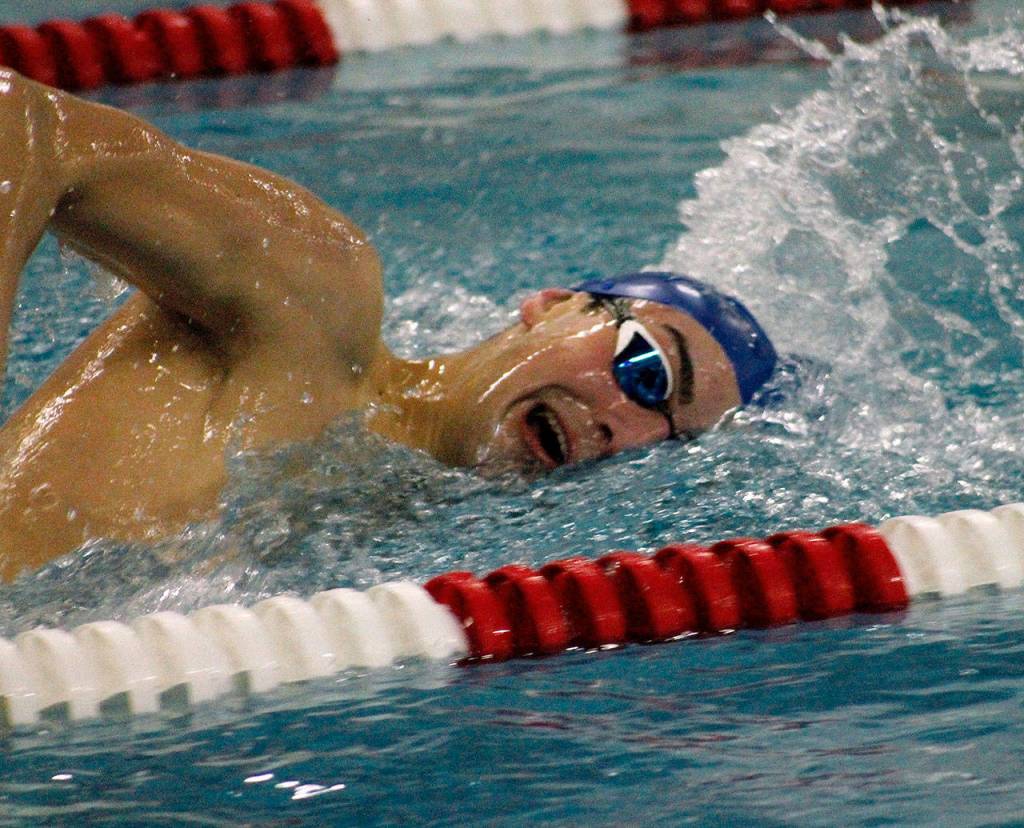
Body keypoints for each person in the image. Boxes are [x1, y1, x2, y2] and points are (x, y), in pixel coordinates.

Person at [0, 69, 776, 581]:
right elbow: (24, 120)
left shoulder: (391, 526)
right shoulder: (318, 302)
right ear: (553, 305)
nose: (626, 431)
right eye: (646, 370)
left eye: (670, 438)